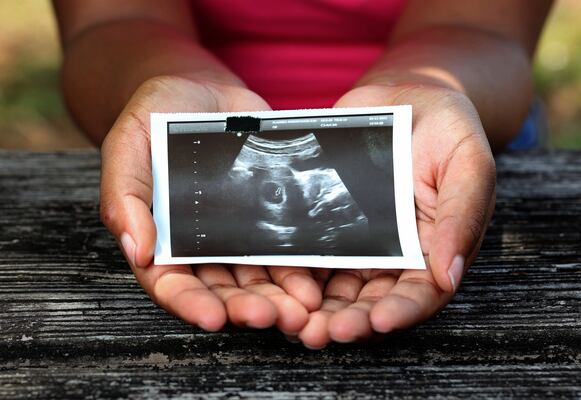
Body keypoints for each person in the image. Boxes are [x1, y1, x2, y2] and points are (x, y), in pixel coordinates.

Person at [52, 0, 553, 349]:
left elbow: (487, 29)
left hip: (450, 133)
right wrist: (169, 91)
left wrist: (423, 88)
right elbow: (110, 21)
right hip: (199, 147)